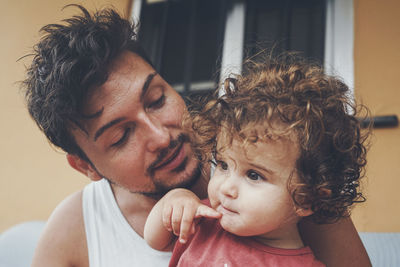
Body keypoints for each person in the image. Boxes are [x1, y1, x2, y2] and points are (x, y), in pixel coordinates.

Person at [21, 4, 371, 267]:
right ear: (85, 166)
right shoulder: (75, 230)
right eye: (121, 136)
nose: (161, 136)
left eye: (157, 99)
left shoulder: (283, 168)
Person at [143, 56, 370, 266]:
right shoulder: (204, 221)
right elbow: (155, 239)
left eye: (253, 175)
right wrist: (176, 199)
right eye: (222, 165)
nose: (226, 188)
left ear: (306, 199)